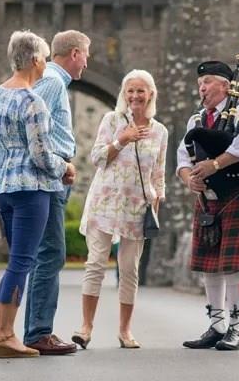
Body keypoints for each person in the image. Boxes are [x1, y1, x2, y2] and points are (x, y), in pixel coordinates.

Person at [0, 30, 76, 359]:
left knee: (16, 260)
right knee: (23, 261)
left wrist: (6, 147)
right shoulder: (33, 102)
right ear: (34, 60)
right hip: (32, 188)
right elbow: (41, 155)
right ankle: (5, 334)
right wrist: (64, 167)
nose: (46, 64)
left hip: (1, 186)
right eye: (44, 58)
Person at [177, 61, 239, 351]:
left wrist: (215, 164)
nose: (201, 88)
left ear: (225, 86)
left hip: (237, 194)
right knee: (210, 267)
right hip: (208, 200)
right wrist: (189, 180)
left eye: (207, 82)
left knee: (233, 267)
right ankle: (216, 326)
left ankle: (236, 328)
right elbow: (183, 157)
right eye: (199, 84)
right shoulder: (196, 120)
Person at [73, 69, 167, 349]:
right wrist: (122, 139)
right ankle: (86, 327)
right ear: (124, 94)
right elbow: (97, 157)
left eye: (140, 91)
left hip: (138, 208)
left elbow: (159, 174)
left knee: (129, 269)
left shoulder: (160, 131)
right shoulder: (111, 120)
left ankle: (125, 331)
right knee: (95, 264)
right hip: (105, 203)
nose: (135, 96)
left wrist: (156, 204)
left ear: (150, 94)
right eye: (130, 91)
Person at [22, 30, 91, 356]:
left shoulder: (51, 81)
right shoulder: (51, 82)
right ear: (75, 54)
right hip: (50, 178)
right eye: (86, 55)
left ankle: (35, 331)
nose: (87, 62)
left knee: (44, 255)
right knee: (51, 254)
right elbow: (31, 125)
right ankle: (39, 333)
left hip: (52, 177)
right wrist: (59, 165)